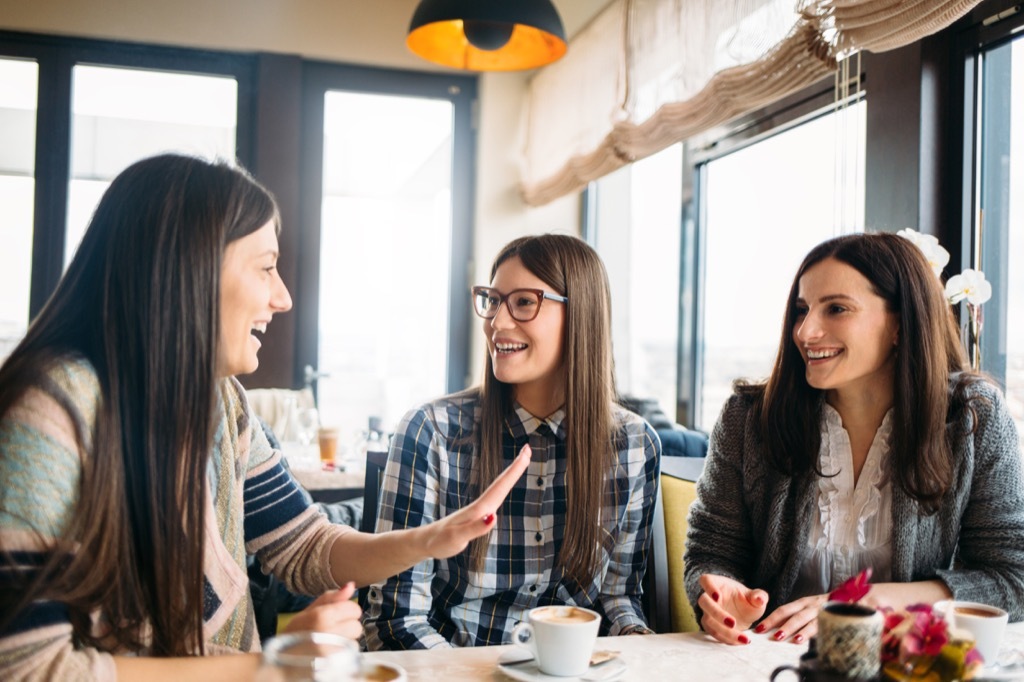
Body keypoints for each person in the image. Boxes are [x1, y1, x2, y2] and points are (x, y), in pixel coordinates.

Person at [0, 154, 531, 681]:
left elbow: (304, 545)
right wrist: (272, 664)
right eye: (266, 267)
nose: (283, 298)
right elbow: (30, 669)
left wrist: (433, 539)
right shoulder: (49, 412)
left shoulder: (221, 404)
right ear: (192, 267)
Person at [684, 232, 1024, 647]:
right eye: (802, 310)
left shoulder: (973, 419)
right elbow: (710, 550)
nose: (806, 332)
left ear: (900, 323)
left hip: (907, 665)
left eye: (837, 309)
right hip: (770, 663)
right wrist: (719, 598)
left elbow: (1013, 577)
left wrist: (875, 602)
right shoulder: (748, 418)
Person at [363, 234, 661, 649]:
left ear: (582, 315)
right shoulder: (430, 432)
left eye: (523, 302)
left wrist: (645, 651)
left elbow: (617, 599)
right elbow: (396, 619)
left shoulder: (633, 445)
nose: (497, 323)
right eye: (493, 300)